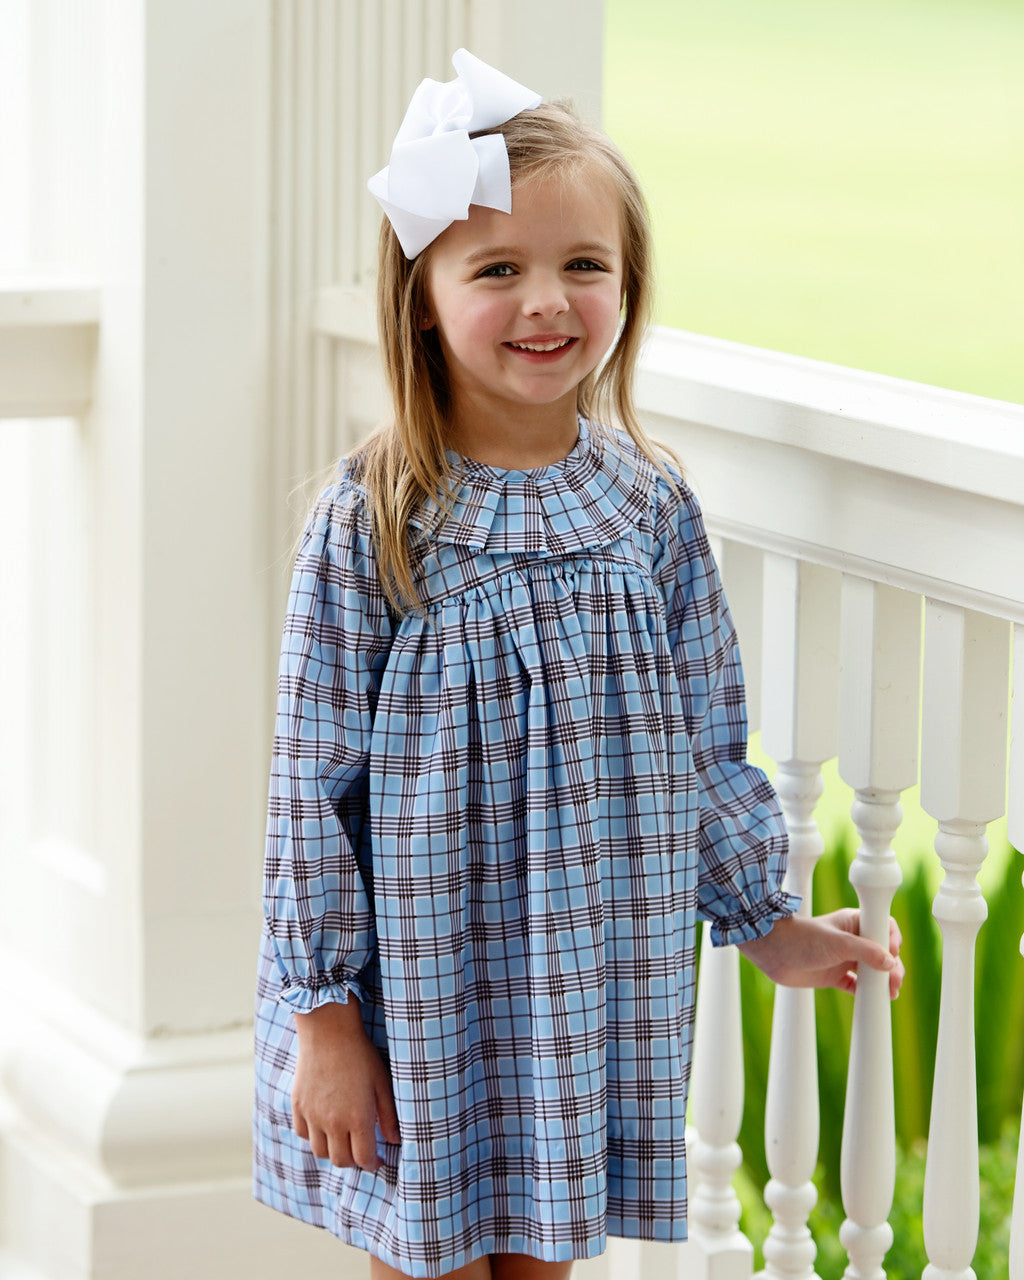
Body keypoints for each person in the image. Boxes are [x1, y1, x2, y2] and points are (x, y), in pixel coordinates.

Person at [253, 49, 903, 1280]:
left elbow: (705, 737)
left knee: (547, 1255)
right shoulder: (380, 514)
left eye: (581, 266)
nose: (546, 301)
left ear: (627, 285)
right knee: (428, 1251)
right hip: (424, 977)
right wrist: (323, 1009)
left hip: (579, 971)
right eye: (497, 269)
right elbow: (307, 784)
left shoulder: (648, 506)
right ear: (424, 297)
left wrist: (758, 915)